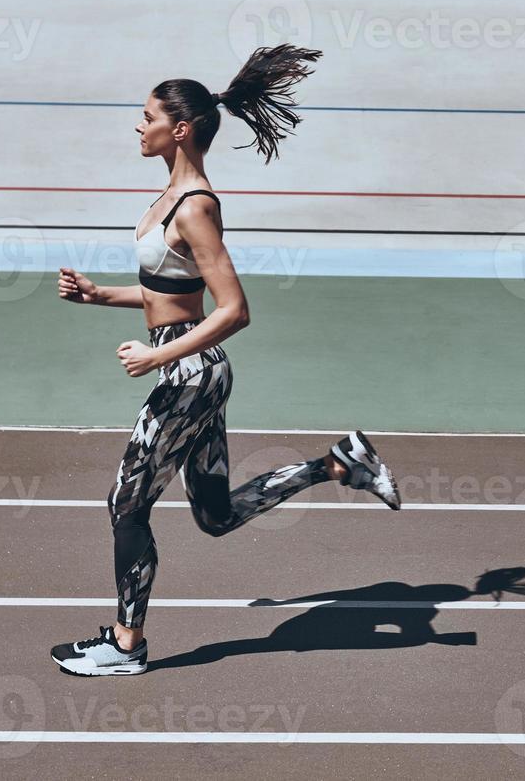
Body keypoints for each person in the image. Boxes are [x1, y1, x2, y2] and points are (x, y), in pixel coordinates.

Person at [50, 44, 401, 677]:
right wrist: (102, 295)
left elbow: (233, 310)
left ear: (178, 129)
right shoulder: (169, 199)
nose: (138, 124)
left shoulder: (196, 207)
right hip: (189, 368)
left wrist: (161, 359)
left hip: (189, 374)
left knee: (126, 505)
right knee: (214, 516)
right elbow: (173, 296)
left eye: (147, 115)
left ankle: (126, 645)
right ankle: (337, 464)